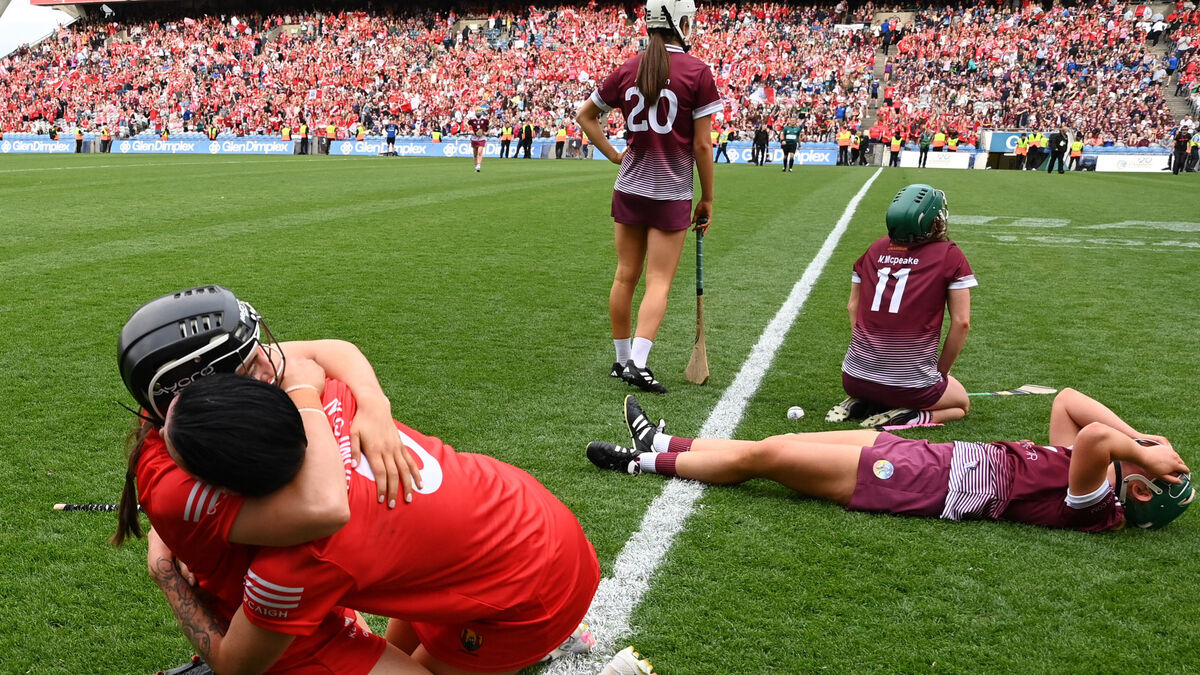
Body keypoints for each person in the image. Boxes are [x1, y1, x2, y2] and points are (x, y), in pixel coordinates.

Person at [147, 373, 602, 675]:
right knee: (400, 655)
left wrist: (165, 571)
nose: (162, 432)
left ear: (226, 488)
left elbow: (235, 664)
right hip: (515, 507)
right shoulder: (325, 395)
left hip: (535, 589)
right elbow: (312, 355)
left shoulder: (294, 564)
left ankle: (542, 641)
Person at [113, 286, 430, 674]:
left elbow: (330, 350)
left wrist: (374, 404)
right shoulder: (172, 486)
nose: (271, 363)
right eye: (249, 366)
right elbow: (326, 506)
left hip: (308, 601)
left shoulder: (193, 420)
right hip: (280, 632)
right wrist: (165, 572)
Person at [588, 391, 1193, 533]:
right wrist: (1142, 437)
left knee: (769, 456)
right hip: (926, 457)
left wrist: (1140, 450)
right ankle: (667, 441)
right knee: (778, 441)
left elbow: (1094, 438)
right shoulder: (1093, 465)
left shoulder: (1096, 505)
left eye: (1152, 469)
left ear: (1140, 490)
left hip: (923, 485)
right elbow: (1067, 402)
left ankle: (643, 463)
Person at [576, 0, 720, 395]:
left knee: (625, 275)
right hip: (671, 191)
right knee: (658, 281)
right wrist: (708, 198)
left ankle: (622, 360)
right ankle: (638, 364)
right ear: (681, 23)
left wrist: (614, 155)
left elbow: (585, 116)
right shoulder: (697, 72)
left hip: (629, 186)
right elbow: (703, 146)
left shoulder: (628, 68)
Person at [827, 184, 975, 428]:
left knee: (886, 385)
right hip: (910, 386)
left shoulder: (875, 248)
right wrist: (941, 372)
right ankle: (912, 416)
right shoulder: (949, 254)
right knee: (961, 405)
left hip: (854, 378)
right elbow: (962, 323)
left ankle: (864, 401)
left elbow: (853, 306)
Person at [468, 107, 489, 172]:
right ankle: (476, 166)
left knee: (480, 152)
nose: (478, 112)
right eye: (477, 111)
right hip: (474, 137)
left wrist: (487, 132)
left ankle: (479, 165)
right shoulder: (472, 119)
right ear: (475, 112)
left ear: (481, 112)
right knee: (475, 154)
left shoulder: (485, 119)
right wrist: (469, 131)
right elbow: (465, 124)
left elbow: (490, 125)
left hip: (482, 137)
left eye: (479, 111)